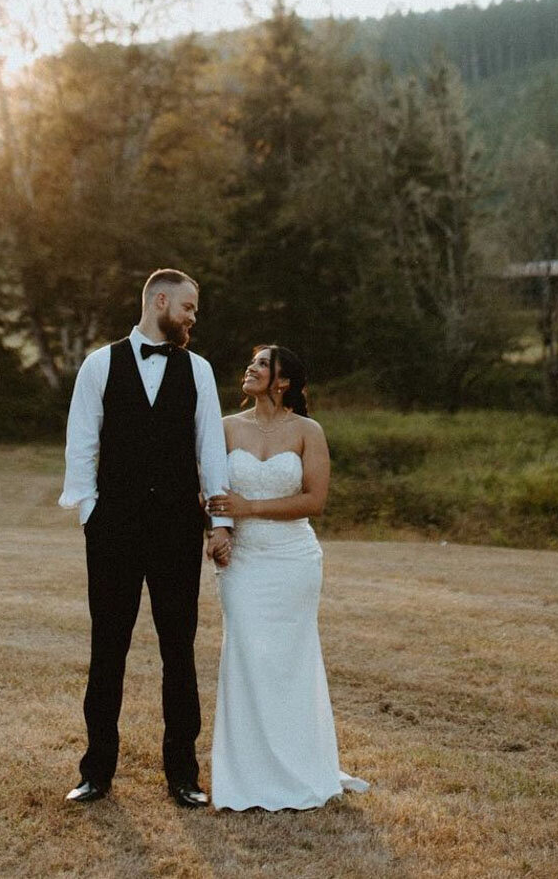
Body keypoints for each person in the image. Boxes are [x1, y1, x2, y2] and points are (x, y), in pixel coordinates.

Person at [59, 269, 233, 808]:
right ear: (160, 301)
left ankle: (183, 773)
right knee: (107, 647)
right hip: (112, 528)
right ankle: (96, 772)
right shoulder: (98, 364)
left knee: (178, 650)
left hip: (177, 529)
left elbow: (211, 449)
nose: (192, 318)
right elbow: (82, 442)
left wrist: (218, 520)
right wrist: (90, 511)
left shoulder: (198, 370)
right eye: (187, 307)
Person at [206, 344, 368, 811]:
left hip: (293, 559)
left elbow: (314, 500)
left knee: (291, 660)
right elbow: (211, 489)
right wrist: (218, 529)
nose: (250, 368)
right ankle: (246, 773)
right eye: (251, 362)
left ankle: (300, 764)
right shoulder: (224, 427)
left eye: (261, 363)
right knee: (246, 654)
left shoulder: (307, 431)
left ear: (282, 380)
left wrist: (249, 508)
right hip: (242, 562)